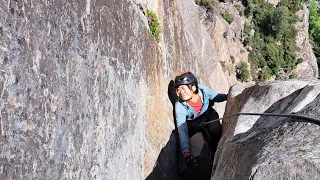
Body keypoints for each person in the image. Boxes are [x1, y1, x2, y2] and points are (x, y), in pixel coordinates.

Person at [174, 71, 227, 167]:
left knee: (215, 129)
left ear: (193, 87)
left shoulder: (203, 91)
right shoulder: (180, 106)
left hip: (208, 115)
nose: (181, 92)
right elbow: (182, 129)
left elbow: (215, 97)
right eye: (178, 89)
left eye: (183, 88)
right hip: (195, 124)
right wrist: (186, 153)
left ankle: (216, 151)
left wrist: (228, 96)